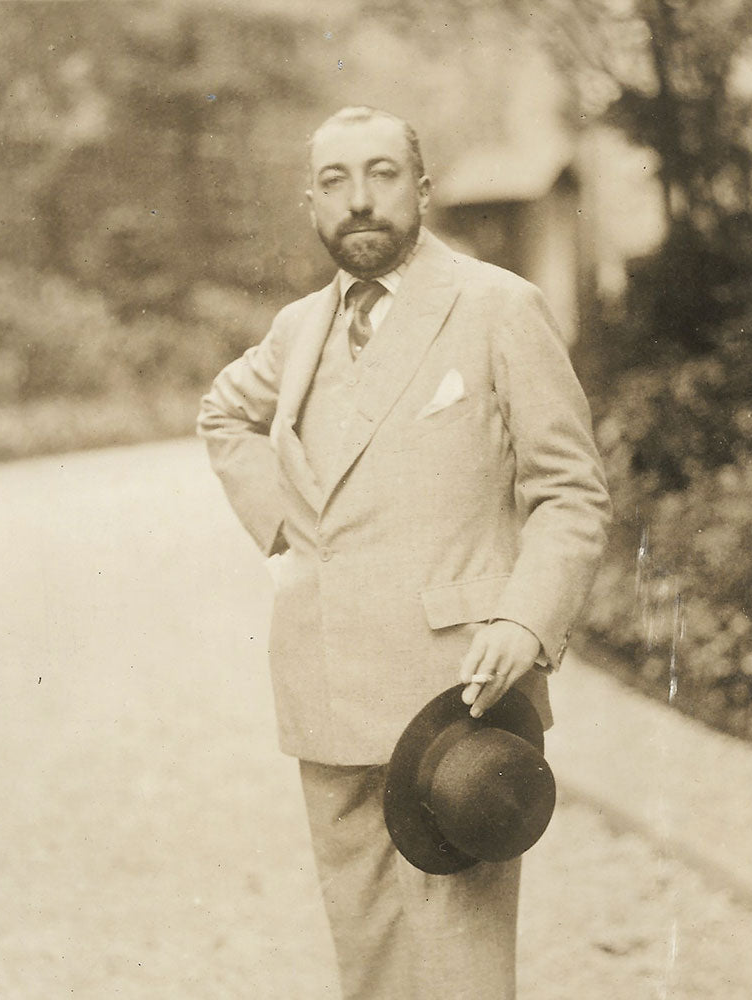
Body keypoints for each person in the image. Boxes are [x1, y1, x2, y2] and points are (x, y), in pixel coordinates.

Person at [197, 106, 611, 999]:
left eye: (382, 174)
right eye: (336, 182)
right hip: (328, 686)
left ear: (421, 189)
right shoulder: (298, 328)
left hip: (456, 697)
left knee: (461, 968)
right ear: (311, 203)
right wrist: (283, 526)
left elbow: (571, 494)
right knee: (371, 959)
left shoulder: (499, 306)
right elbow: (223, 412)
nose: (360, 201)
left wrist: (524, 617)